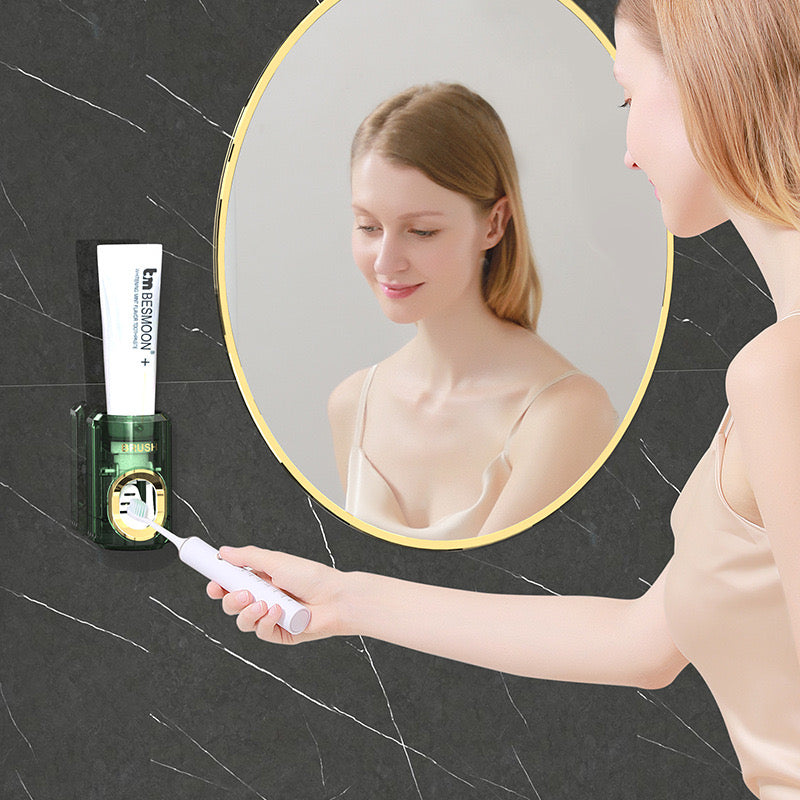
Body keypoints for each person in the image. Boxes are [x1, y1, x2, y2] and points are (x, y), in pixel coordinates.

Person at [208, 0, 800, 795]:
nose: (627, 151)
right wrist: (344, 600)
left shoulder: (780, 376)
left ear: (710, 85)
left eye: (630, 98)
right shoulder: (774, 375)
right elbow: (645, 642)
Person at [328, 83, 618, 540]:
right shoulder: (352, 406)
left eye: (421, 231)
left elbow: (496, 596)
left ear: (494, 223)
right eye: (368, 226)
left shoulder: (566, 413)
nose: (385, 261)